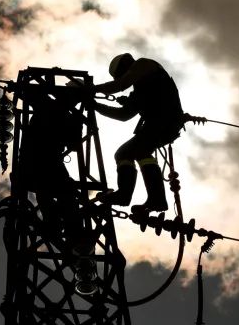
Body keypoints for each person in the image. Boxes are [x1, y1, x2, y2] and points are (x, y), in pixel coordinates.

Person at [88, 53, 184, 214]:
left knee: (139, 150)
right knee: (124, 153)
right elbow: (124, 115)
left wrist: (94, 90)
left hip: (165, 121)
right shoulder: (142, 86)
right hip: (162, 124)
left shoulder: (144, 64)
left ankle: (153, 198)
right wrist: (95, 106)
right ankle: (130, 196)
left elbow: (120, 84)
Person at [18, 80, 86, 245]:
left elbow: (27, 91)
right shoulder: (56, 108)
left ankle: (62, 229)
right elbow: (75, 145)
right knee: (59, 192)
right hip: (42, 160)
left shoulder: (49, 105)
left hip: (40, 160)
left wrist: (47, 83)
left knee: (51, 191)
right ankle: (70, 232)